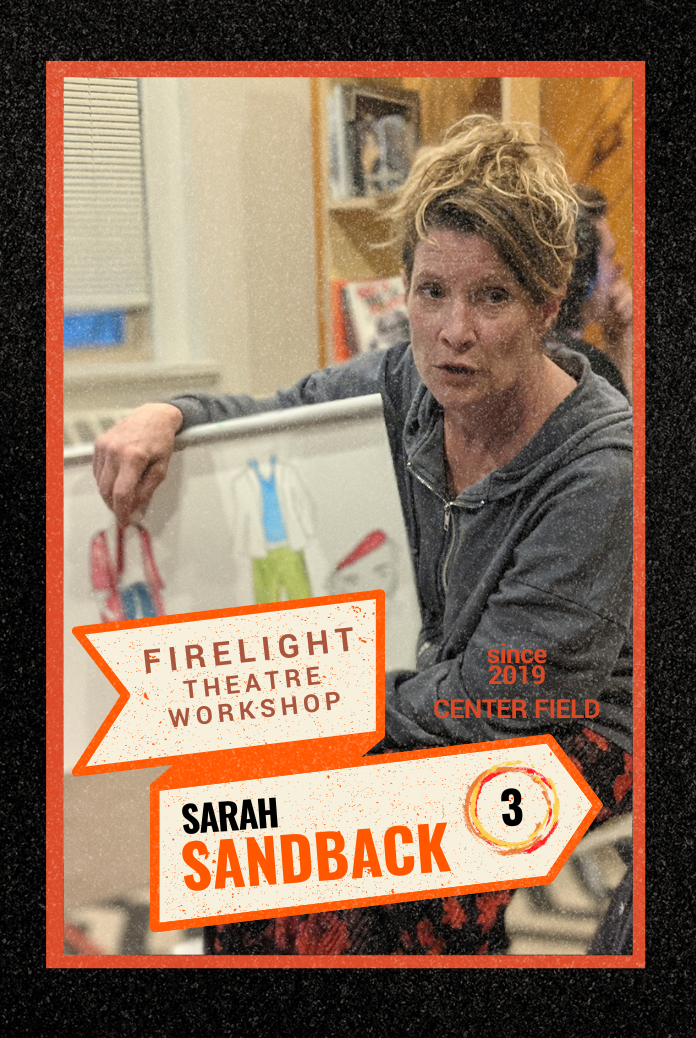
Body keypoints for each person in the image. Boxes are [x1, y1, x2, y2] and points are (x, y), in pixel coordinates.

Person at [93, 115, 633, 955]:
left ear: (545, 307)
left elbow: (502, 701)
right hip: (430, 681)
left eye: (491, 296)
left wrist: (308, 702)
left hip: (567, 719)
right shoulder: (406, 378)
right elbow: (275, 418)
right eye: (431, 291)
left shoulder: (601, 467)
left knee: (341, 864)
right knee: (231, 827)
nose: (453, 330)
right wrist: (169, 414)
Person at [548, 186, 633, 399]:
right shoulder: (581, 368)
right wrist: (622, 341)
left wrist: (617, 335)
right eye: (609, 256)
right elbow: (626, 429)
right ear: (582, 274)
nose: (618, 268)